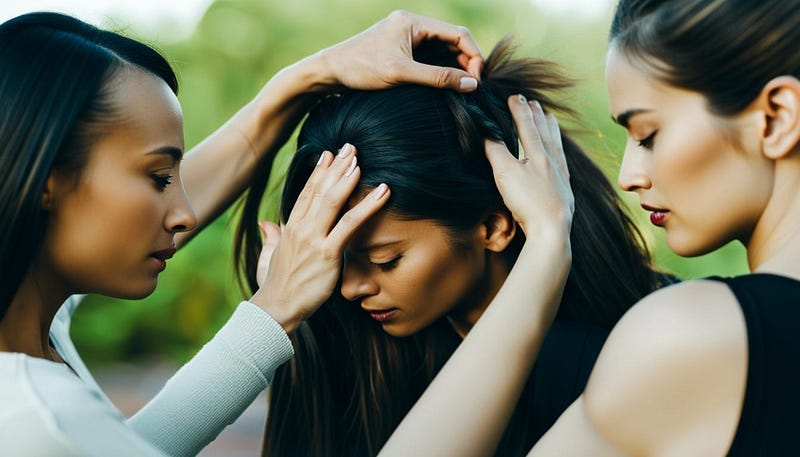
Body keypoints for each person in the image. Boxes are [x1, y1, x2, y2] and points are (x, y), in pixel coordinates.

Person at [0, 10, 486, 456]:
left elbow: (127, 445)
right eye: (159, 178)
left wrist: (311, 76)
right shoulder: (39, 421)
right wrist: (277, 304)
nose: (187, 215)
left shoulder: (33, 346)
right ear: (50, 180)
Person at [377, 0, 800, 455]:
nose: (629, 175)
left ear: (777, 117)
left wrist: (545, 241)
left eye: (647, 134)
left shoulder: (693, 336)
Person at [236, 38, 667, 456]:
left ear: (494, 226)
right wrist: (292, 324)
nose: (351, 288)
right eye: (335, 257)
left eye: (385, 260)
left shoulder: (616, 360)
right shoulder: (374, 356)